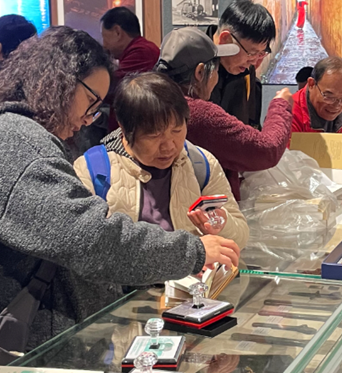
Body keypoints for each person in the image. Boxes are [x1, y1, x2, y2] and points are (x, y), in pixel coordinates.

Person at [0, 27, 240, 349]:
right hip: (19, 336)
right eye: (90, 102)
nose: (89, 119)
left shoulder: (6, 133)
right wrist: (193, 251)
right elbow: (92, 239)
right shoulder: (16, 144)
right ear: (58, 82)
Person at [74, 72, 249, 249]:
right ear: (125, 129)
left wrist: (223, 225)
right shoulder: (92, 171)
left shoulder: (201, 164)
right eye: (154, 135)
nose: (169, 146)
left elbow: (241, 236)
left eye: (177, 130)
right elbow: (81, 248)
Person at [156, 27, 292, 199]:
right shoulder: (196, 113)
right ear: (200, 72)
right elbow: (267, 150)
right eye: (216, 69)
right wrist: (281, 106)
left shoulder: (150, 100)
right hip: (200, 210)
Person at [291, 56, 342, 187]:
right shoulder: (288, 112)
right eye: (329, 96)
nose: (337, 106)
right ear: (311, 84)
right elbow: (291, 169)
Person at [210, 0, 276, 128]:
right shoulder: (192, 65)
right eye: (251, 52)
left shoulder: (246, 71)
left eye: (261, 53)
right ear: (225, 39)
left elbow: (251, 126)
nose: (254, 61)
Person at [99, 6, 160, 130]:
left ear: (117, 32)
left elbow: (112, 89)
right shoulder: (142, 49)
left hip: (134, 130)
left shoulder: (142, 51)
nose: (104, 45)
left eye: (104, 37)